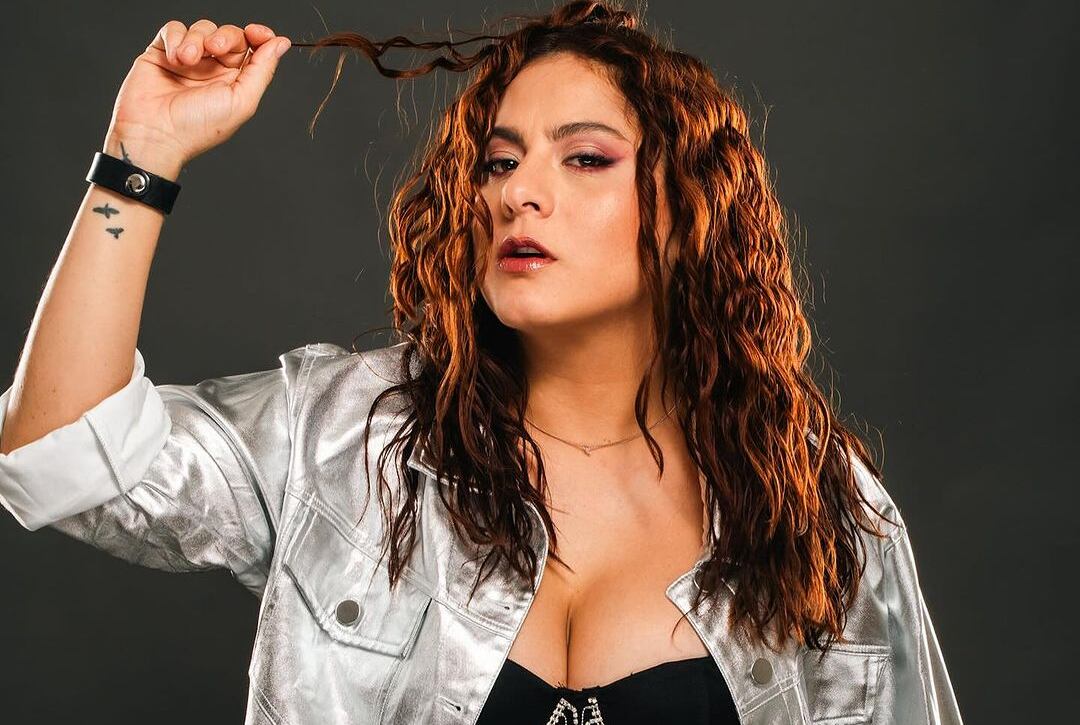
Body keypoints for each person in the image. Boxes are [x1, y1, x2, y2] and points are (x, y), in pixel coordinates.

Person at [0, 1, 964, 723]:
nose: (517, 194)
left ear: (685, 206)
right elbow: (56, 453)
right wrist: (140, 156)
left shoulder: (819, 510)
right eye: (501, 162)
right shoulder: (346, 437)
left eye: (584, 158)